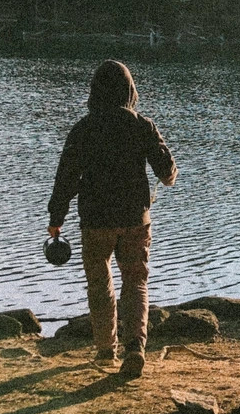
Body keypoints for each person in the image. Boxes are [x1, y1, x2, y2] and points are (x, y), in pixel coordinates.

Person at [48, 60, 177, 377]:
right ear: (129, 91)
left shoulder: (83, 129)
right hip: (135, 218)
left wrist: (56, 218)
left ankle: (106, 350)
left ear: (94, 92)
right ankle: (135, 348)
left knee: (99, 282)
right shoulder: (142, 126)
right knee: (136, 281)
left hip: (95, 221)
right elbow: (167, 173)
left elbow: (65, 179)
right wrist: (167, 172)